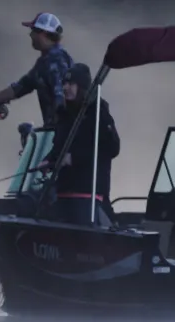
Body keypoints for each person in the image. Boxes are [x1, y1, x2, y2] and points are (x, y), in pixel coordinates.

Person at [39, 63, 121, 226]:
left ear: (82, 86)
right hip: (63, 194)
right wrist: (48, 160)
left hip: (88, 196)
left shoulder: (98, 113)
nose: (65, 87)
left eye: (71, 84)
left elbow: (112, 148)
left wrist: (74, 159)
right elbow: (58, 148)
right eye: (64, 83)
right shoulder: (64, 115)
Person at [0, 12, 74, 127]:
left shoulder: (55, 61)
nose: (31, 35)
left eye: (34, 31)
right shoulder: (44, 63)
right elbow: (21, 87)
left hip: (64, 135)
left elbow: (62, 99)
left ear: (44, 33)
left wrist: (59, 132)